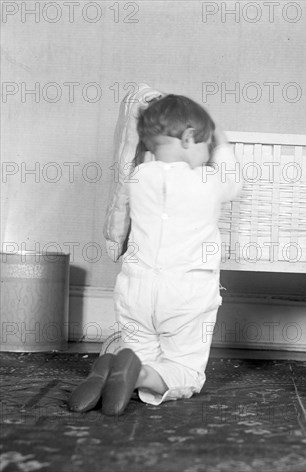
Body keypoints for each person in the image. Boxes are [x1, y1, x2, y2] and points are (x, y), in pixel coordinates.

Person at [68, 94, 242, 415]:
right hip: (185, 297)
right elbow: (233, 183)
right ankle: (140, 376)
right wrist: (221, 142)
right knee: (185, 369)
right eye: (204, 146)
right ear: (189, 138)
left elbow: (120, 214)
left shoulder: (138, 177)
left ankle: (111, 368)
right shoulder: (207, 179)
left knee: (140, 351)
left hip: (135, 291)